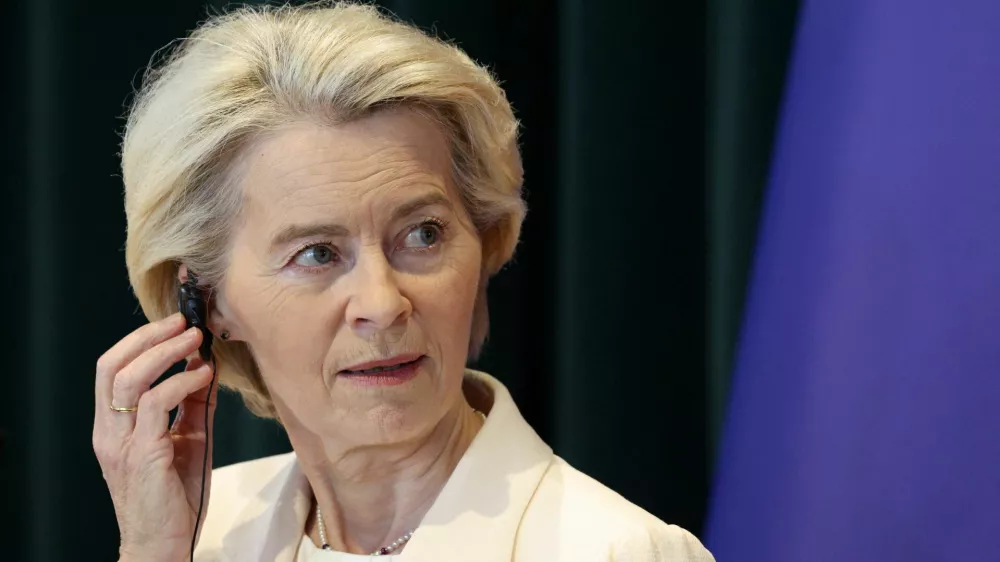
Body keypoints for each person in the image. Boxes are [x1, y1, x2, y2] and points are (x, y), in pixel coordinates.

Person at [91, 3, 716, 561]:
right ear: (208, 301)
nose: (383, 303)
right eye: (317, 253)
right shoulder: (202, 536)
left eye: (423, 235)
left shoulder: (617, 551)